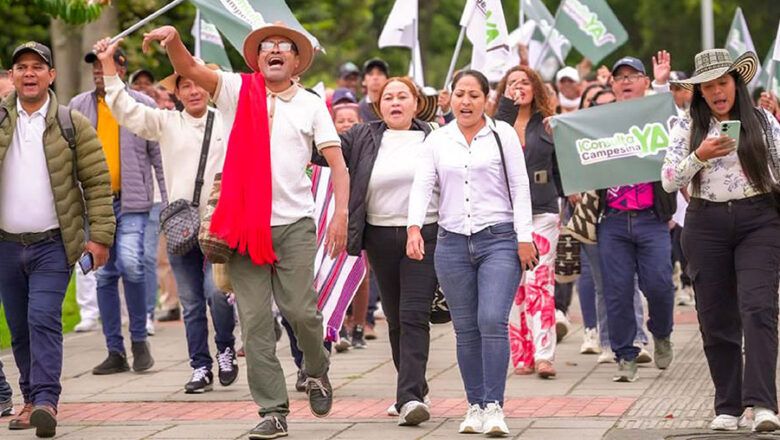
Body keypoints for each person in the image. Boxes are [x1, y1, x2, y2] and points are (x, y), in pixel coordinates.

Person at [142, 21, 349, 439]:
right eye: (266, 46)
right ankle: (273, 411)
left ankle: (316, 370)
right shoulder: (238, 89)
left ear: (296, 62)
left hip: (294, 226)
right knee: (254, 324)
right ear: (257, 59)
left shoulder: (310, 104)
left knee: (301, 313)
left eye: (284, 47)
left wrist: (341, 214)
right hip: (243, 226)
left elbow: (338, 165)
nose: (274, 50)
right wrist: (175, 41)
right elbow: (193, 70)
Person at [94, 38, 238, 394]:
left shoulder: (228, 120)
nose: (192, 90)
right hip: (180, 225)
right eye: (184, 85)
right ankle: (200, 366)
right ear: (175, 93)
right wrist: (109, 66)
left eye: (198, 83)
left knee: (217, 294)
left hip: (219, 224)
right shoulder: (166, 122)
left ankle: (225, 349)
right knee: (189, 301)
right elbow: (125, 110)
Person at [407, 70, 536, 437]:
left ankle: (495, 406)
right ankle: (475, 405)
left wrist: (524, 237)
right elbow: (423, 185)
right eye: (460, 94)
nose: (466, 102)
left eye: (474, 95)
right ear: (451, 98)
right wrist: (413, 227)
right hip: (451, 243)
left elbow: (520, 185)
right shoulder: (438, 139)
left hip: (499, 239)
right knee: (465, 329)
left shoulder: (502, 134)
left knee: (492, 319)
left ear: (486, 100)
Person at [0, 41, 115, 438]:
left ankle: (46, 400)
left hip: (53, 244)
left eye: (37, 67)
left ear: (51, 76)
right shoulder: (0, 120)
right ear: (12, 76)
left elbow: (98, 183)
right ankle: (30, 397)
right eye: (21, 68)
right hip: (5, 245)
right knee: (18, 326)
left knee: (42, 317)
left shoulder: (71, 123)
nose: (29, 73)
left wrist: (99, 237)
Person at [662, 49, 780, 433]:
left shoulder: (762, 121)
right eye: (708, 86)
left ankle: (763, 403)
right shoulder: (685, 125)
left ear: (736, 84)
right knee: (715, 318)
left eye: (723, 83)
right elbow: (668, 179)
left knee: (758, 307)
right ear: (699, 92)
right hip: (705, 221)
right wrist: (699, 155)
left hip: (759, 220)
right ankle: (728, 405)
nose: (717, 92)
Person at [317, 76, 440, 425]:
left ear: (417, 103)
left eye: (403, 96)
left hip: (425, 234)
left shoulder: (435, 137)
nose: (396, 102)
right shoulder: (362, 136)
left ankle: (410, 397)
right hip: (380, 236)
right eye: (389, 98)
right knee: (397, 317)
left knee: (415, 314)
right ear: (378, 105)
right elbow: (321, 149)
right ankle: (414, 384)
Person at [70, 47, 166, 376]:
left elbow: (159, 158)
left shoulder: (143, 104)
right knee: (105, 273)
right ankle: (115, 350)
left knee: (133, 265)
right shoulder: (77, 107)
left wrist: (169, 203)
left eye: (105, 65)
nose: (99, 71)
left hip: (134, 202)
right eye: (94, 67)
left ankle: (139, 339)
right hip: (95, 205)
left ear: (120, 69)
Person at [597, 52, 677, 382]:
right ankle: (625, 354)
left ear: (644, 83)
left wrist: (661, 84)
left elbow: (674, 117)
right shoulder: (598, 121)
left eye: (633, 76)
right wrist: (557, 128)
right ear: (612, 85)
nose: (626, 81)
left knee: (659, 285)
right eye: (620, 77)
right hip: (614, 220)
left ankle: (661, 332)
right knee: (616, 290)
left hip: (651, 219)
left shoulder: (660, 118)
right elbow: (576, 146)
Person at [494, 66, 562, 379]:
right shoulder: (494, 127)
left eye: (525, 82)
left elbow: (562, 169)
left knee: (539, 281)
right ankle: (521, 355)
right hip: (505, 215)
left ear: (536, 88)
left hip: (542, 211)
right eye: (512, 83)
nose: (519, 87)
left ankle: (544, 353)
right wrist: (505, 110)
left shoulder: (548, 126)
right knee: (513, 286)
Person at [358, 58, 389, 122]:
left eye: (380, 74)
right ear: (363, 81)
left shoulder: (392, 106)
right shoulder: (358, 109)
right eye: (370, 74)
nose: (375, 77)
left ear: (387, 79)